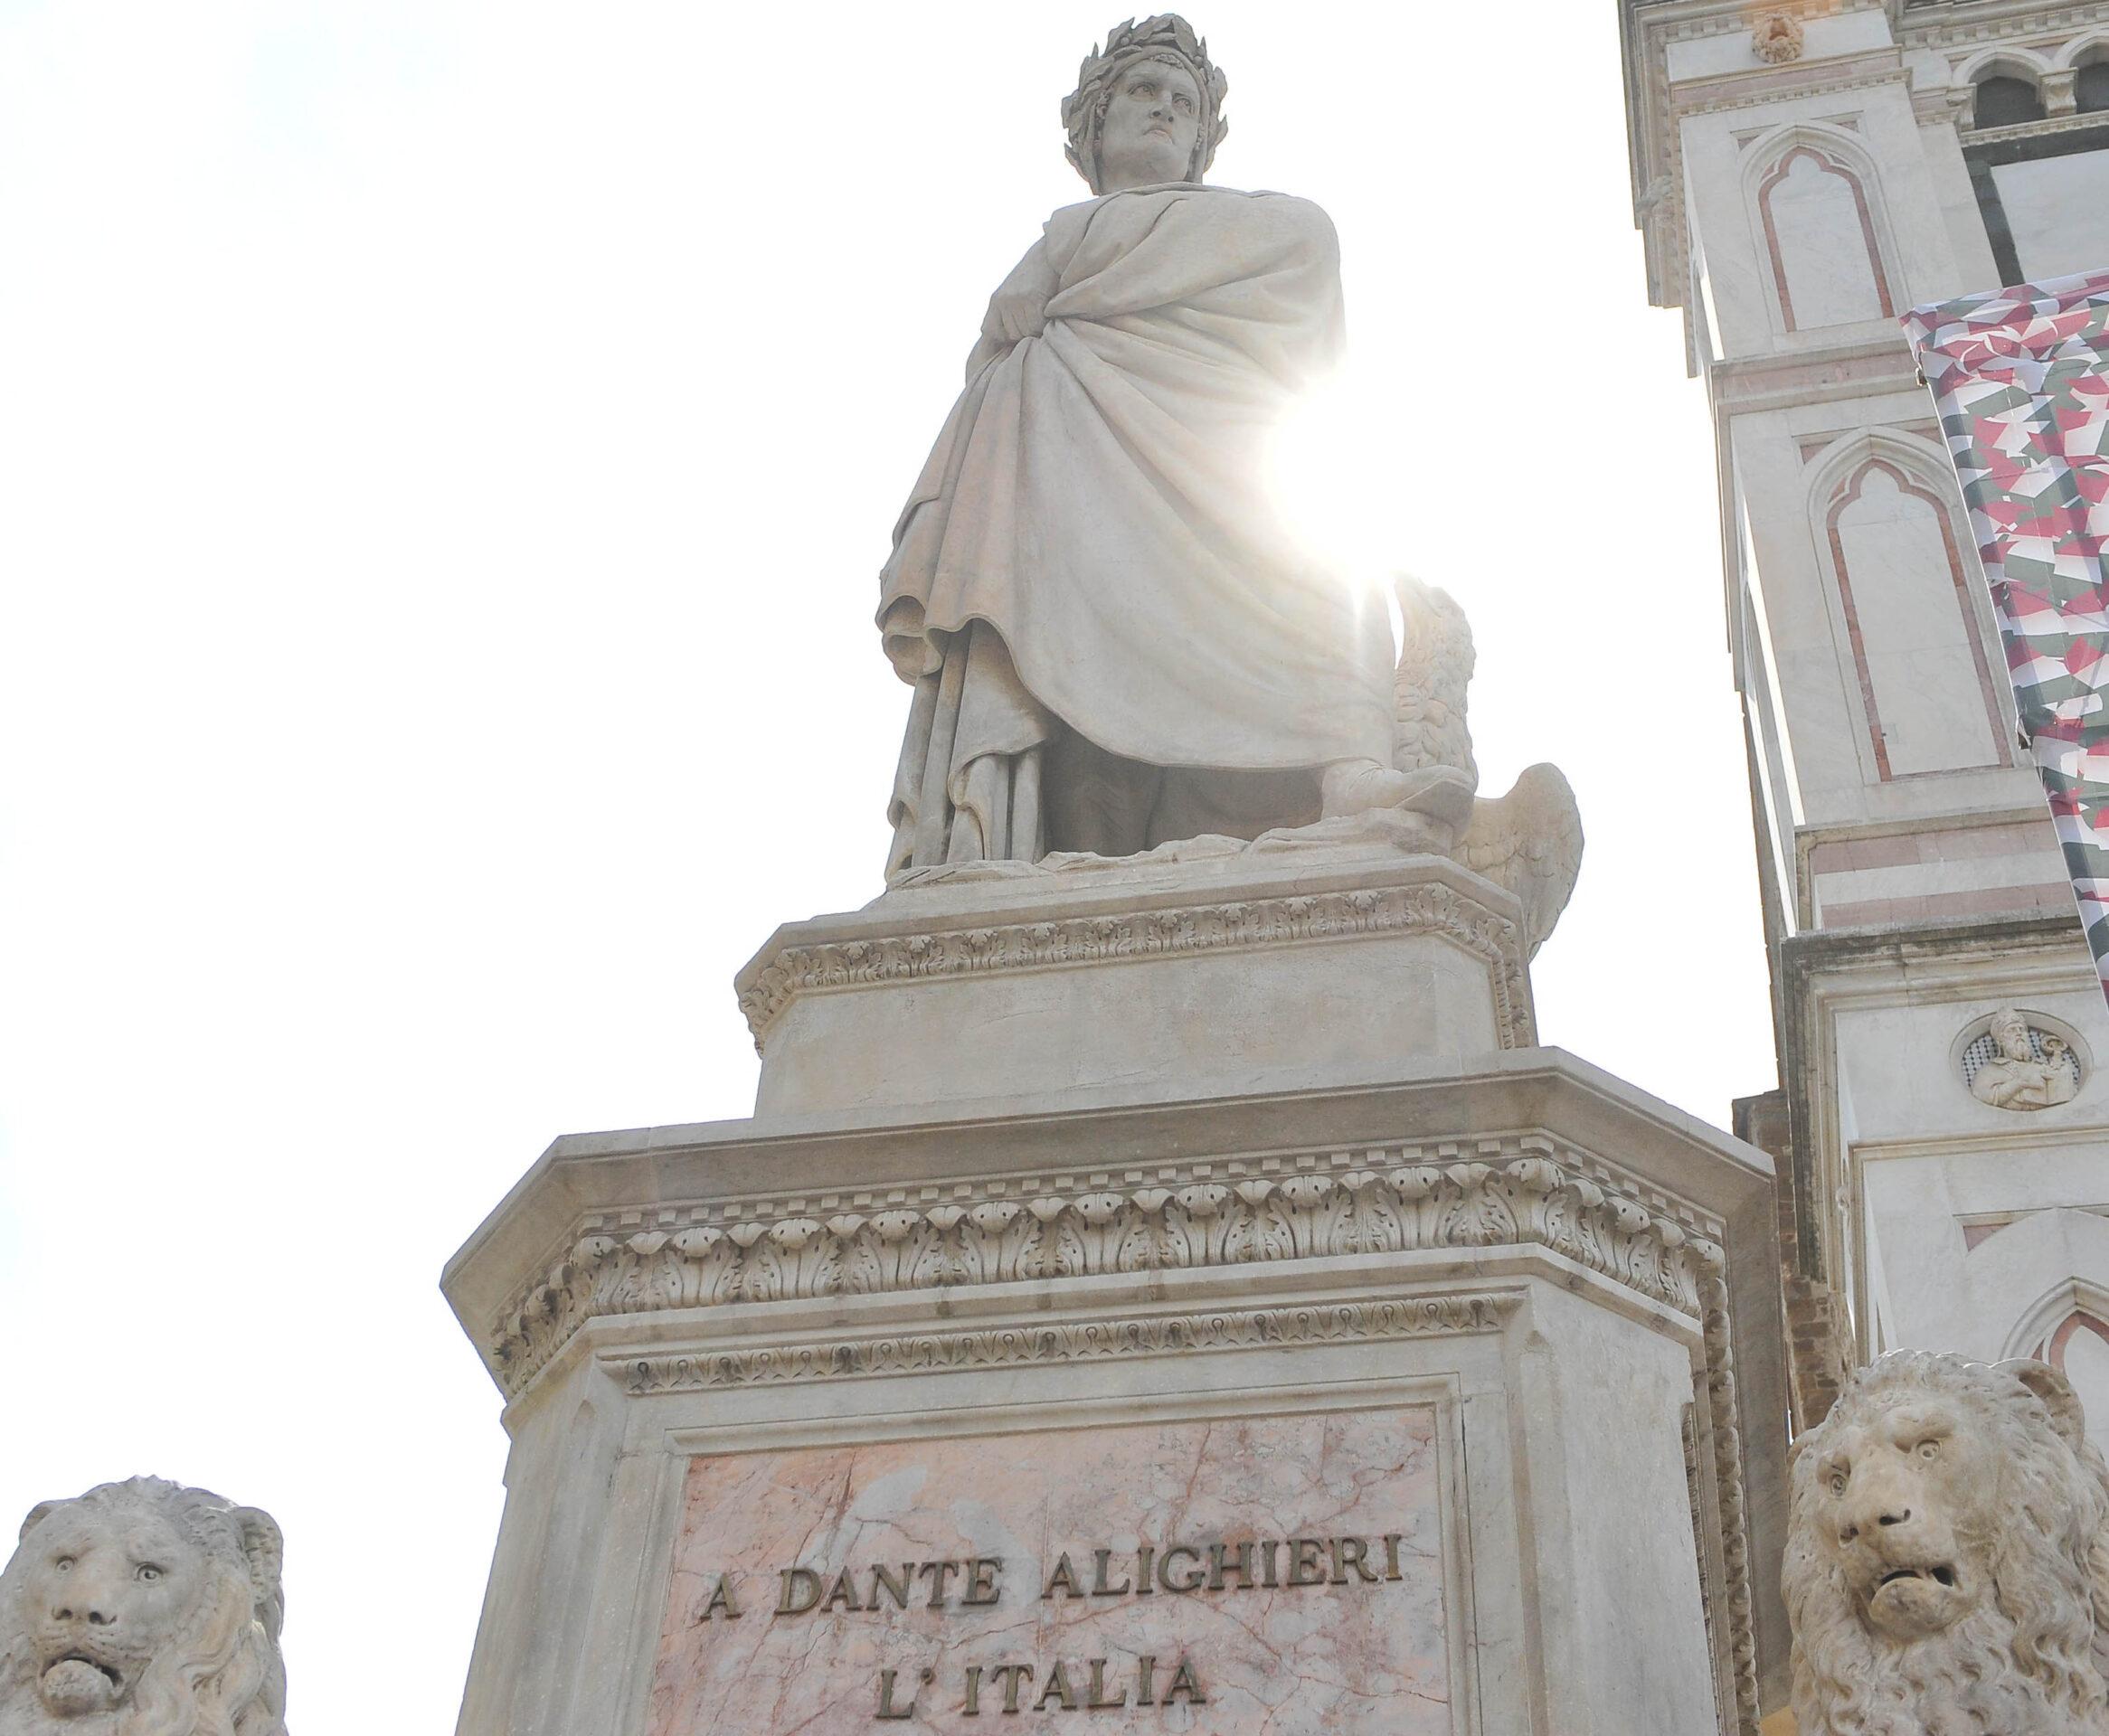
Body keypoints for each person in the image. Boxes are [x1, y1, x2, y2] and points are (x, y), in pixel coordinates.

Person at [879, 14, 1464, 873]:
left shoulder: (1252, 232)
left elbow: (1309, 270)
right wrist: (1055, 267)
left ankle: (1349, 766)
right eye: (1143, 93)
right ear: (1095, 125)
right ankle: (1068, 824)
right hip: (1081, 490)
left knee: (1321, 558)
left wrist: (1068, 254)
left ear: (1200, 142)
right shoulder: (1042, 317)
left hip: (1226, 471)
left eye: (1182, 103)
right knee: (1029, 394)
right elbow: (987, 371)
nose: (1163, 111)